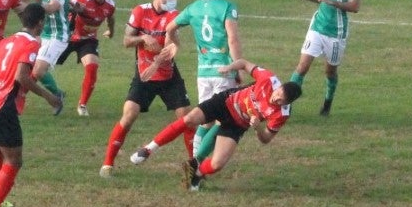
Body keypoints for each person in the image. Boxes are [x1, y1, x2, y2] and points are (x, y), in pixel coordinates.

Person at [129, 59, 302, 190]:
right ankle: (148, 149)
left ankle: (195, 174)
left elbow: (266, 140)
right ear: (279, 87)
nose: (276, 98)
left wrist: (257, 127)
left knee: (218, 163)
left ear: (287, 103)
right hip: (225, 102)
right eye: (278, 93)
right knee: (189, 120)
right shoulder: (268, 79)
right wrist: (228, 68)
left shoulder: (282, 114)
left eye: (281, 100)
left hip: (238, 124)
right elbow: (243, 63)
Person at [0, 3, 62, 207]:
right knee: (14, 160)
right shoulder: (32, 45)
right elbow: (22, 78)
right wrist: (49, 96)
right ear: (41, 23)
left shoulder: (6, 41)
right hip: (4, 106)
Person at [100, 0, 190, 176]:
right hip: (144, 76)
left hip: (168, 75)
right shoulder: (140, 11)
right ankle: (107, 164)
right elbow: (126, 41)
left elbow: (174, 42)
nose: (175, 0)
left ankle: (194, 166)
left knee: (187, 118)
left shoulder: (173, 15)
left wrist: (168, 48)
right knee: (129, 114)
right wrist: (142, 38)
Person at [165, 0, 242, 164]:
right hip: (223, 72)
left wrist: (174, 44)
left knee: (205, 119)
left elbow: (170, 27)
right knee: (224, 119)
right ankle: (196, 164)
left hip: (203, 73)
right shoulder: (227, 7)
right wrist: (238, 66)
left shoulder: (193, 8)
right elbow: (232, 39)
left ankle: (193, 159)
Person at [290, 0, 362, 117]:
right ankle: (287, 104)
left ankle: (327, 102)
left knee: (330, 71)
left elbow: (355, 6)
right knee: (302, 66)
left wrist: (332, 1)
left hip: (336, 33)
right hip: (317, 27)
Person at [58, 0, 117, 117]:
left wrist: (110, 31)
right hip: (68, 38)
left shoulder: (110, 5)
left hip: (88, 40)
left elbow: (110, 18)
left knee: (92, 67)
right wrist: (74, 8)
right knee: (42, 66)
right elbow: (69, 5)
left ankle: (82, 105)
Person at [21, 0, 71, 112]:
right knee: (28, 66)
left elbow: (50, 9)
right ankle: (56, 95)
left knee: (38, 70)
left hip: (57, 34)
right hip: (40, 32)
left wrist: (36, 3)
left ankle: (54, 96)